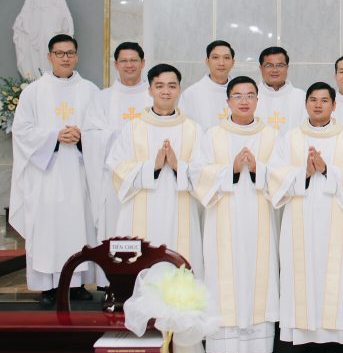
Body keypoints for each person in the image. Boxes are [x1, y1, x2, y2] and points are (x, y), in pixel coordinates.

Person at [269, 82, 343, 353]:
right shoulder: (290, 138)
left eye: (324, 100)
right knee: (302, 275)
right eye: (313, 100)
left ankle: (335, 348)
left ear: (334, 105)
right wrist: (305, 173)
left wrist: (326, 170)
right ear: (306, 104)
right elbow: (275, 175)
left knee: (336, 277)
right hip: (300, 218)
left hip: (337, 218)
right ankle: (306, 348)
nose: (318, 105)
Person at [191, 76, 279, 353]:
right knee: (222, 276)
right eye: (238, 96)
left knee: (260, 274)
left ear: (257, 100)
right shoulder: (213, 135)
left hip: (260, 217)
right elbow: (198, 174)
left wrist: (257, 169)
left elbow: (282, 175)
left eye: (250, 95)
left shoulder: (271, 136)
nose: (244, 101)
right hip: (222, 219)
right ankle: (224, 347)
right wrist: (230, 168)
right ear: (227, 101)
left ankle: (260, 347)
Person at [10, 34, 98, 306]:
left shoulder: (90, 91)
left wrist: (83, 137)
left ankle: (78, 284)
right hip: (46, 174)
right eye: (59, 53)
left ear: (77, 56)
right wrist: (54, 137)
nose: (65, 58)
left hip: (80, 174)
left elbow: (100, 131)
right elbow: (21, 131)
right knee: (48, 230)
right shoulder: (34, 92)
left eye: (70, 53)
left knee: (79, 227)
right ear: (49, 56)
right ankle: (48, 287)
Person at [105, 63, 203, 276]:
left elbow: (204, 173)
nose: (166, 91)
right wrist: (153, 167)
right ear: (149, 90)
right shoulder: (133, 127)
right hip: (139, 208)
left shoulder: (193, 129)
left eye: (171, 86)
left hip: (180, 208)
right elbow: (117, 167)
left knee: (179, 260)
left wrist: (177, 166)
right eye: (159, 86)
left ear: (179, 89)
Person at [82, 42, 152, 247]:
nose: (129, 65)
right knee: (115, 230)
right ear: (115, 64)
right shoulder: (102, 98)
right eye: (124, 61)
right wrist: (122, 136)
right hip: (114, 179)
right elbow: (90, 135)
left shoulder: (154, 95)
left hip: (146, 177)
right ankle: (113, 268)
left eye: (134, 60)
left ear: (143, 63)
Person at [12, 0, 74, 79]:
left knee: (50, 47)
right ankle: (38, 76)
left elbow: (64, 9)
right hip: (37, 26)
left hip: (51, 25)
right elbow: (26, 8)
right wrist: (20, 20)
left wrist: (66, 21)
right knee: (37, 50)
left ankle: (52, 75)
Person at [180, 40, 235, 131]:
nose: (221, 63)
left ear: (233, 62)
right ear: (207, 61)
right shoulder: (191, 93)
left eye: (226, 57)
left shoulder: (243, 92)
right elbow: (185, 130)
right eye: (215, 57)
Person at [255, 46, 306, 137]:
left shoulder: (301, 97)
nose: (274, 70)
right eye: (269, 65)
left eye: (280, 65)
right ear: (261, 68)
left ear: (287, 68)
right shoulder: (251, 96)